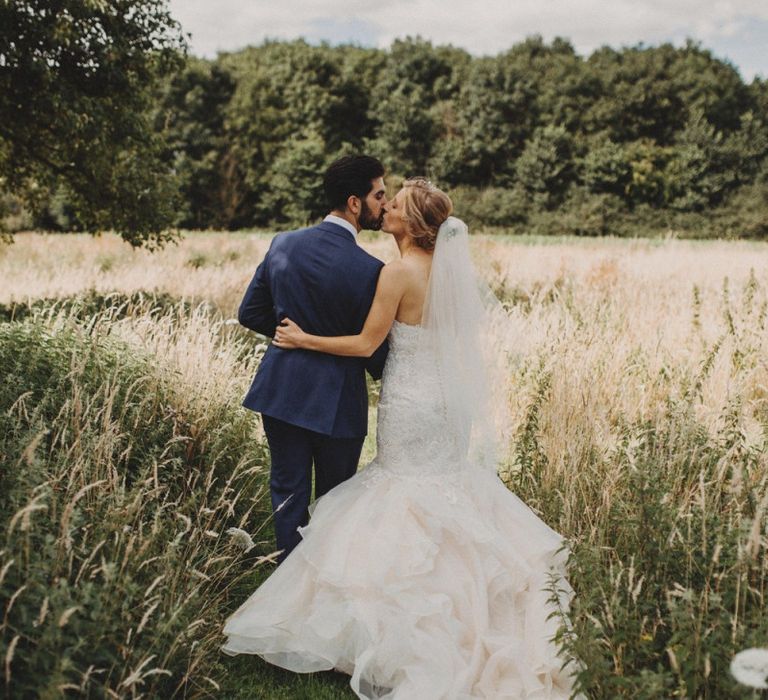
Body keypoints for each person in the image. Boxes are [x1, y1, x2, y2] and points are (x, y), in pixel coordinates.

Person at [223, 178, 583, 699]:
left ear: (412, 225)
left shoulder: (397, 272)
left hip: (411, 403)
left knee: (402, 490)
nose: (385, 209)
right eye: (383, 201)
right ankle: (465, 598)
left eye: (394, 206)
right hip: (443, 401)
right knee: (444, 487)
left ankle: (380, 622)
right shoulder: (446, 273)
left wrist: (302, 338)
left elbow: (368, 342)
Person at [237, 155, 389, 563]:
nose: (385, 205)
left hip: (282, 389)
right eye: (379, 195)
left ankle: (287, 580)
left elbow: (249, 313)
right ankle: (326, 585)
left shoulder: (282, 244)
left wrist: (292, 337)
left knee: (287, 490)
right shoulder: (372, 269)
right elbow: (374, 351)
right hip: (338, 401)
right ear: (355, 203)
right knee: (336, 500)